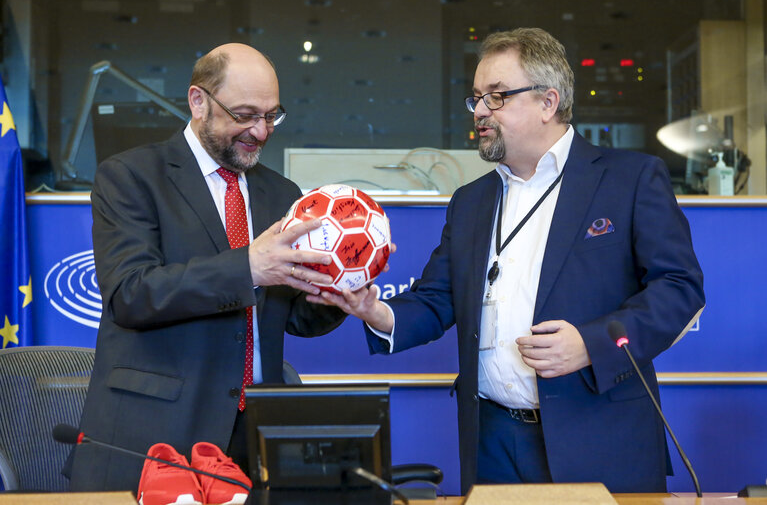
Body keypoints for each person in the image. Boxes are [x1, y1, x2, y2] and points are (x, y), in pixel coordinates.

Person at [313, 28, 705, 494]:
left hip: (600, 435)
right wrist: (375, 311)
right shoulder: (470, 201)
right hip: (491, 441)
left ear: (548, 102)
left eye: (496, 97)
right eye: (477, 98)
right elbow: (439, 300)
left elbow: (679, 288)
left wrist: (591, 343)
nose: (479, 111)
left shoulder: (630, 179)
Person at [66, 43, 346, 492]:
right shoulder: (130, 177)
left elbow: (293, 317)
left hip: (255, 440)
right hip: (157, 438)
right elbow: (132, 294)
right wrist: (249, 267)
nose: (261, 130)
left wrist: (336, 293)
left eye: (272, 115)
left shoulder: (282, 193)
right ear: (198, 101)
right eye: (245, 114)